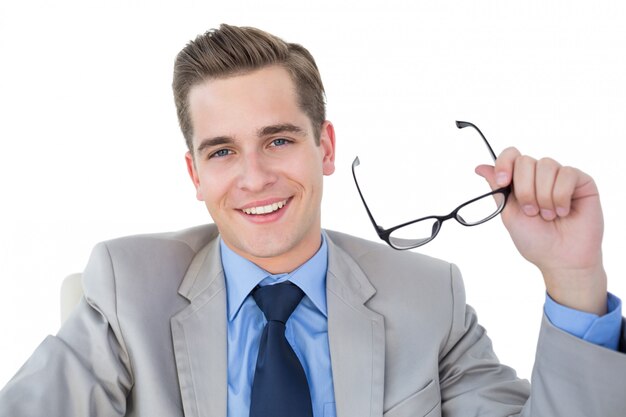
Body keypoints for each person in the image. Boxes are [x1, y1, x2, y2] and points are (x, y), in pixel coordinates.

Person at [0, 23, 624, 417]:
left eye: (277, 141)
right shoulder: (126, 286)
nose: (253, 178)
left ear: (324, 147)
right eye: (221, 151)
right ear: (195, 175)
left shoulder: (430, 299)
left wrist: (574, 278)